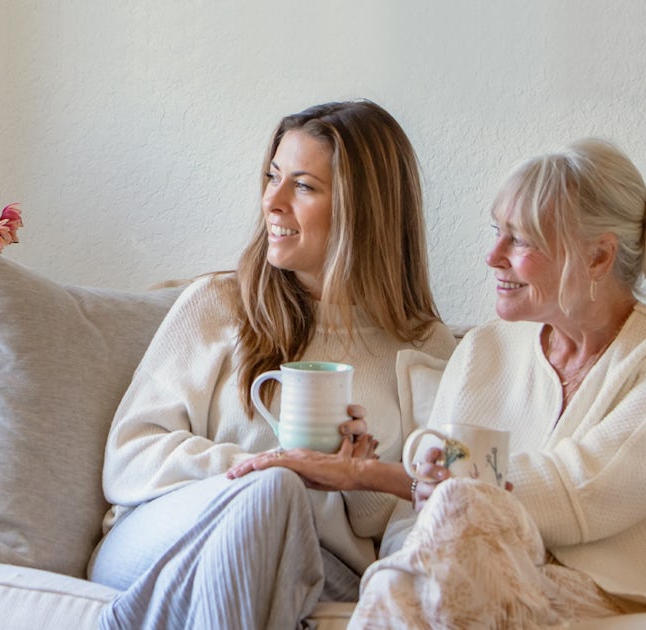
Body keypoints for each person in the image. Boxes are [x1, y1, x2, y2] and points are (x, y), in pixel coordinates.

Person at [91, 100, 458, 630]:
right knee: (275, 492)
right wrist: (272, 470)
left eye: (304, 186)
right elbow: (129, 458)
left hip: (319, 564)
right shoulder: (218, 303)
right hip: (165, 535)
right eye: (272, 177)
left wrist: (354, 476)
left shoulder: (425, 345)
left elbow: (412, 519)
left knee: (280, 504)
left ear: (364, 211)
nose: (273, 201)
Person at [313, 138, 646, 627]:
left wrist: (378, 477)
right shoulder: (483, 351)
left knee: (456, 512)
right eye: (497, 232)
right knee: (404, 574)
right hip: (462, 576)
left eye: (521, 239)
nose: (493, 255)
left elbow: (585, 490)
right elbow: (420, 518)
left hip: (591, 592)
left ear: (598, 257)